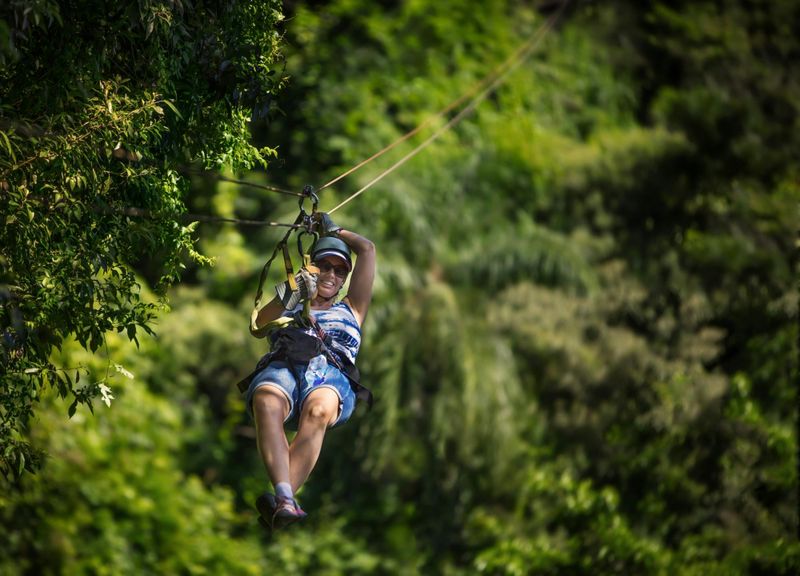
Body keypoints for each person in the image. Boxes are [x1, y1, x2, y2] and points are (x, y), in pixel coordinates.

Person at [244, 212, 376, 530]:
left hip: (329, 376)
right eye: (325, 266)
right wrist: (291, 290)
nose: (332, 274)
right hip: (285, 367)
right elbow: (259, 323)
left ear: (346, 278)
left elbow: (368, 250)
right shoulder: (291, 299)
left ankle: (283, 499)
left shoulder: (352, 308)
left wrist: (334, 230)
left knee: (319, 410)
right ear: (312, 266)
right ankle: (285, 500)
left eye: (340, 270)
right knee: (266, 399)